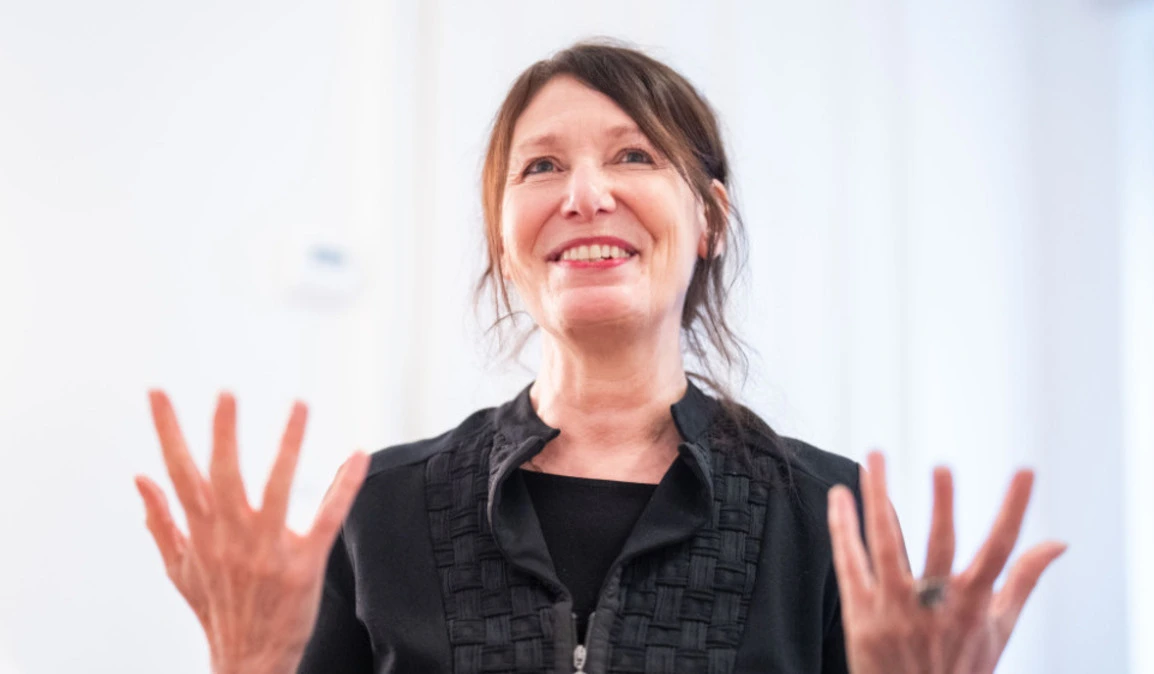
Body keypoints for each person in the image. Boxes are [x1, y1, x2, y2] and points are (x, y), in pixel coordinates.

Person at [134, 42, 1067, 674]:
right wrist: (248, 663)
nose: (584, 195)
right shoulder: (379, 510)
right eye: (541, 167)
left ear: (709, 220)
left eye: (632, 156)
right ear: (503, 241)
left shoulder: (829, 515)